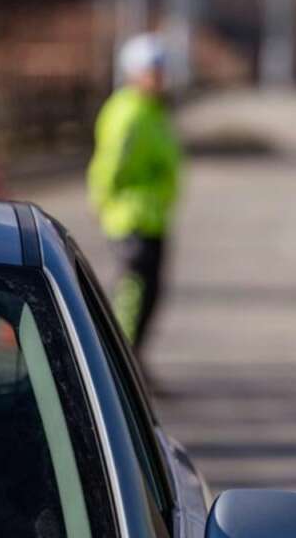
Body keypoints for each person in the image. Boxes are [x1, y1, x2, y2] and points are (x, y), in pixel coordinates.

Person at [88, 33, 181, 381]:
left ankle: (134, 360)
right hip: (131, 217)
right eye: (153, 70)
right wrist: (102, 199)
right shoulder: (129, 114)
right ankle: (120, 367)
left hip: (153, 215)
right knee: (133, 293)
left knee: (151, 291)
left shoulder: (152, 110)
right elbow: (109, 164)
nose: (159, 77)